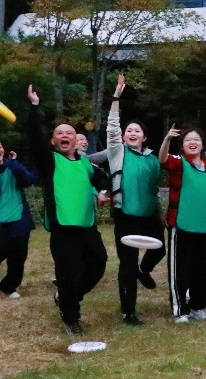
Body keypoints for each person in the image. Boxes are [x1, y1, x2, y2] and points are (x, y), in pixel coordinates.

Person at [25, 87, 111, 332]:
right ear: (53, 141)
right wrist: (34, 107)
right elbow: (34, 138)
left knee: (99, 263)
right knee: (67, 274)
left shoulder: (86, 163)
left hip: (87, 225)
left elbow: (103, 180)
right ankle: (71, 317)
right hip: (62, 228)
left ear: (76, 140)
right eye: (59, 133)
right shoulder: (50, 161)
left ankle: (67, 297)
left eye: (69, 133)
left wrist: (104, 192)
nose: (64, 136)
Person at [103, 74, 164, 325]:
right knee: (127, 265)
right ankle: (128, 312)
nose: (132, 133)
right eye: (129, 130)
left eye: (137, 131)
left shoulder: (152, 158)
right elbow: (112, 128)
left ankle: (144, 269)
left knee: (160, 248)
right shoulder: (117, 152)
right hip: (125, 214)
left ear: (144, 137)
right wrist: (116, 96)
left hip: (150, 213)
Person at [159, 126, 206, 323]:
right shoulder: (179, 162)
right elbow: (162, 159)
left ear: (203, 145)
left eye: (196, 139)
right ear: (183, 145)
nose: (192, 143)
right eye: (188, 140)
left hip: (204, 225)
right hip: (181, 225)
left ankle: (198, 306)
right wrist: (167, 139)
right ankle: (180, 309)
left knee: (201, 269)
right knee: (180, 269)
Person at [0, 138, 37, 299]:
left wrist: (14, 163)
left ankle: (9, 286)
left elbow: (28, 180)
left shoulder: (13, 166)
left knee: (18, 256)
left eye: (0, 146)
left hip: (19, 219)